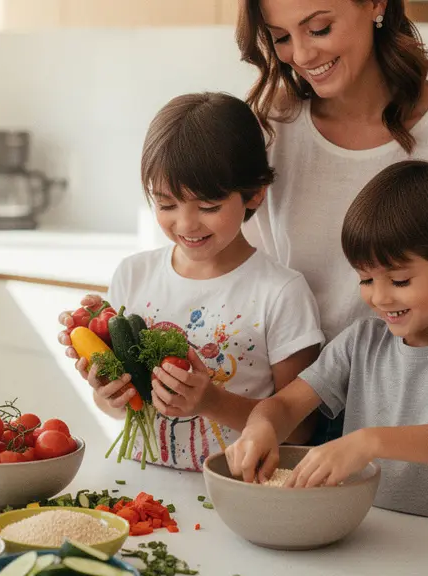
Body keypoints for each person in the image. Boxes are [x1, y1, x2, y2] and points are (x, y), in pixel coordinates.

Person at [235, 0, 428, 445]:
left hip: (414, 411)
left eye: (319, 29)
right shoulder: (272, 129)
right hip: (293, 404)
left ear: (376, 4)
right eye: (282, 37)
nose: (302, 55)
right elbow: (240, 272)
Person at [226, 160, 428, 533]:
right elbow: (285, 404)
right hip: (374, 538)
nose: (379, 297)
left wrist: (369, 441)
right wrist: (261, 427)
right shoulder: (361, 342)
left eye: (399, 280)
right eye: (365, 278)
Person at [61, 92, 325, 471]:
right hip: (139, 489)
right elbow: (117, 410)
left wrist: (211, 402)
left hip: (234, 490)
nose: (186, 224)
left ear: (254, 194)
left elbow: (300, 429)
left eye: (208, 206)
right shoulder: (133, 275)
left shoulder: (280, 292)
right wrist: (108, 393)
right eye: (166, 204)